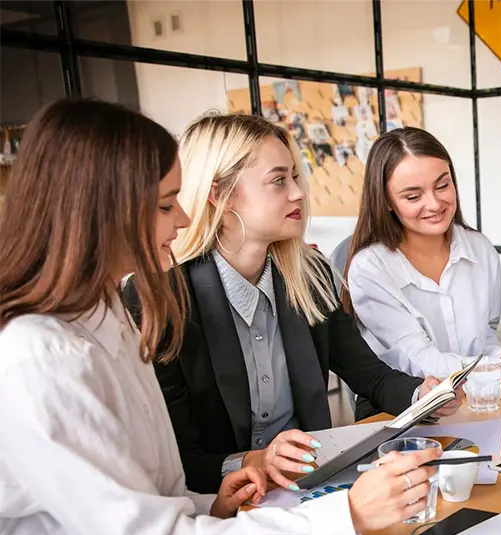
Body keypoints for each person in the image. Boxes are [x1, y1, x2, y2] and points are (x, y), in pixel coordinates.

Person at [0, 99, 444, 535]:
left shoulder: (103, 316)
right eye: (162, 205)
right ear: (96, 209)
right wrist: (345, 514)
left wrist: (213, 499)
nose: (181, 221)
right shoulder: (41, 353)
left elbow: (135, 494)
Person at [125, 113, 458, 494]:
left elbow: (373, 376)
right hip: (216, 506)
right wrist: (252, 461)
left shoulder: (310, 275)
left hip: (309, 487)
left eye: (295, 177)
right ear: (220, 194)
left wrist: (424, 395)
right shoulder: (159, 296)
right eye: (279, 180)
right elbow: (177, 456)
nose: (298, 192)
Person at [344, 126, 501, 411]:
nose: (434, 203)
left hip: (476, 400)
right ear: (385, 201)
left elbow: (482, 336)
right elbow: (419, 358)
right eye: (413, 196)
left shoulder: (479, 249)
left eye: (442, 185)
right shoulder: (370, 268)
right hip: (404, 407)